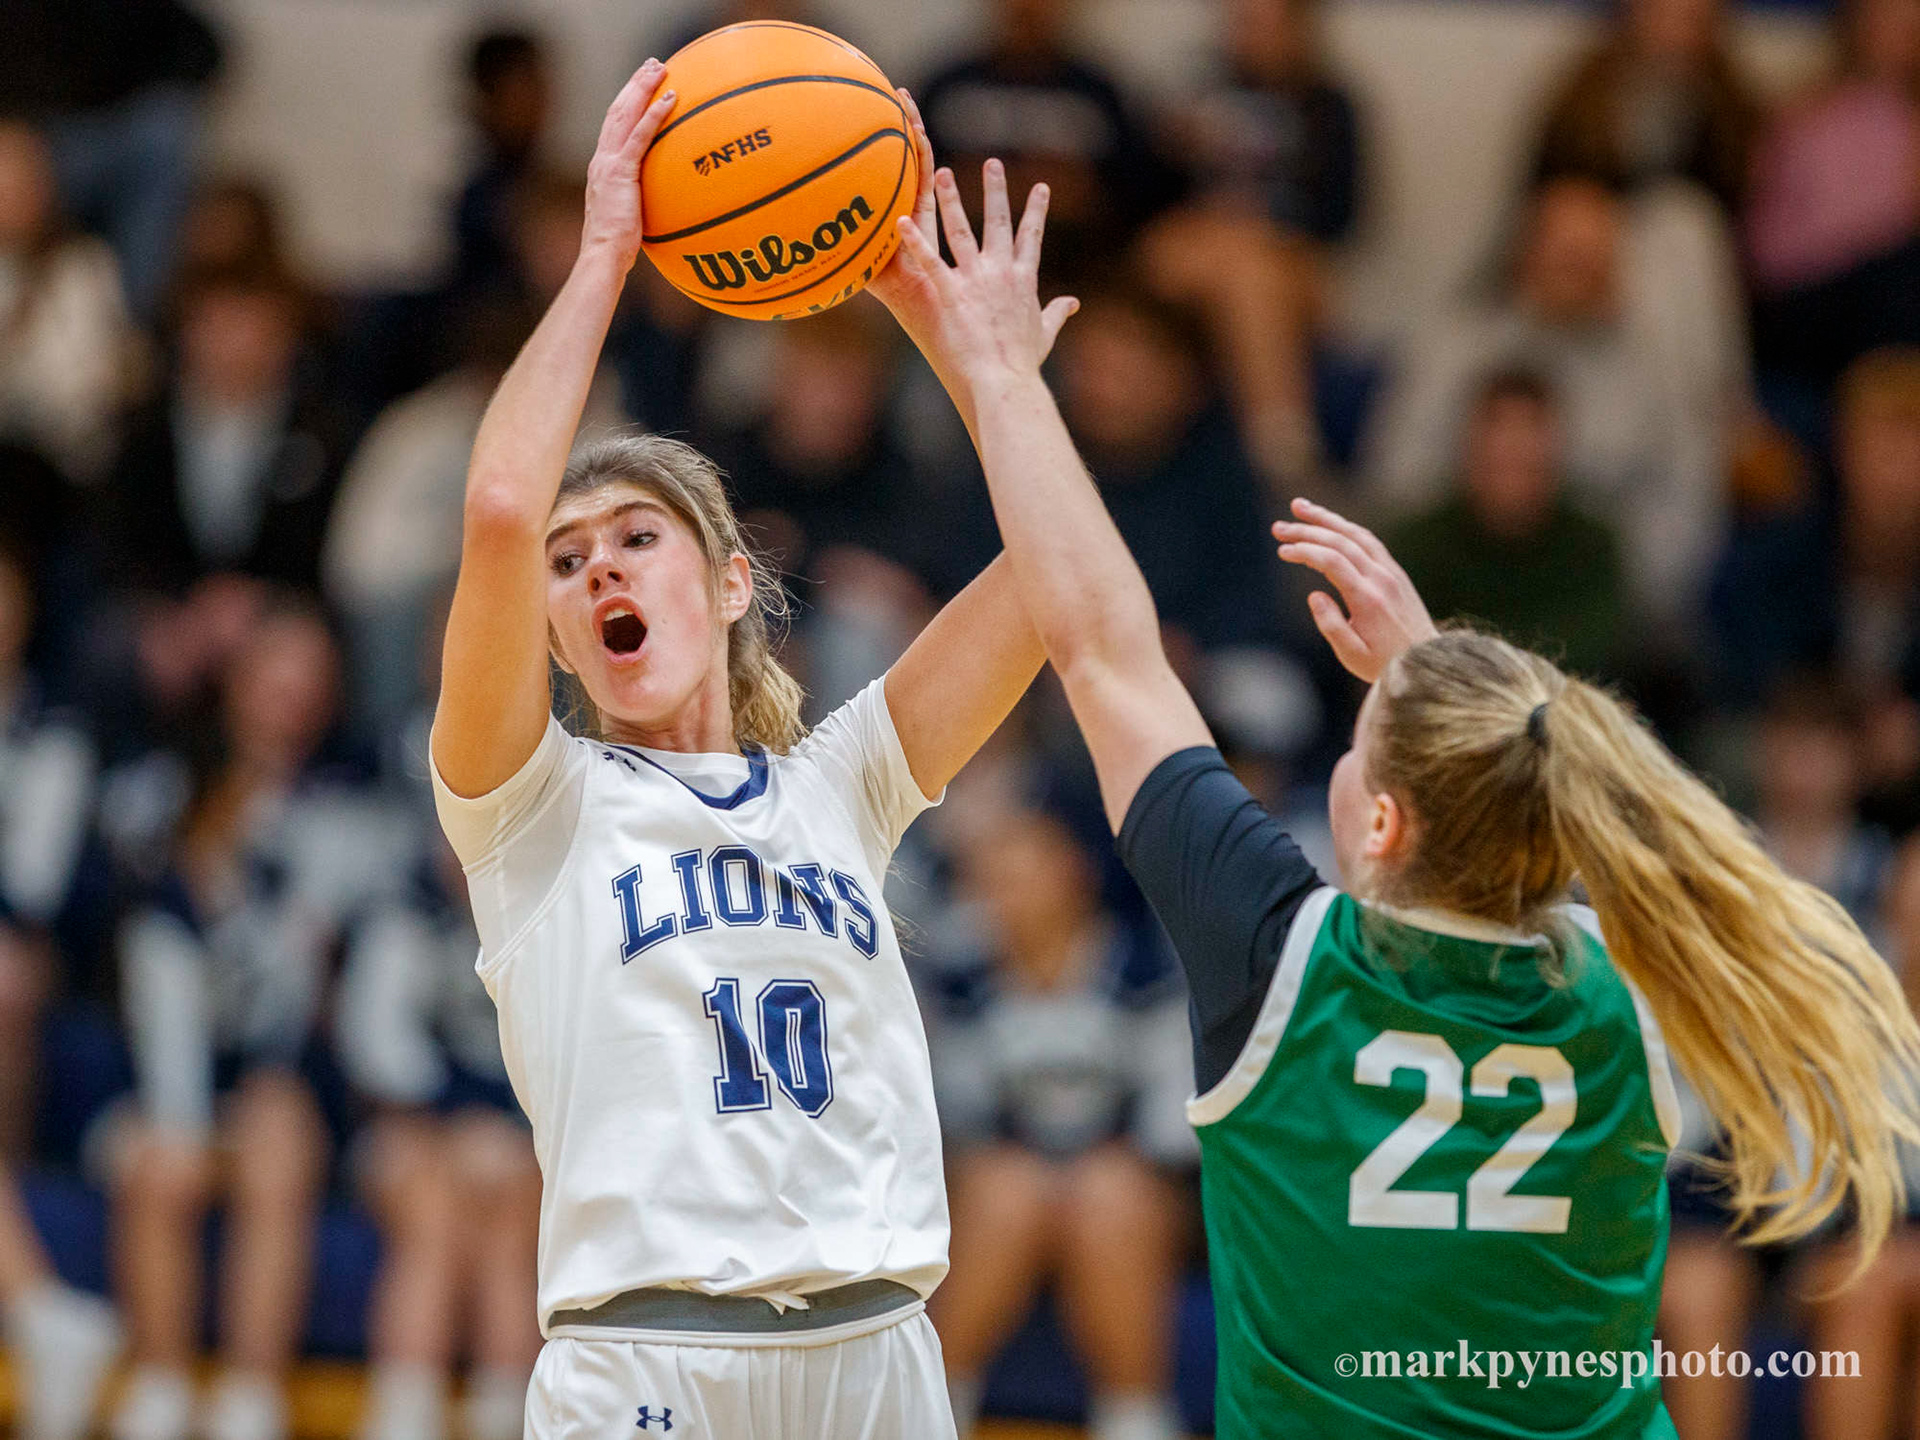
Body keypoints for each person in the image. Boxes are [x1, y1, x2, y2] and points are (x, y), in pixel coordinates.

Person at [885, 157, 1920, 1436]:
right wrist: (1433, 673)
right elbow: (1511, 769)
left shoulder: (1285, 959)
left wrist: (996, 374)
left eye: (1366, 733)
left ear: (1381, 822)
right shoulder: (1627, 979)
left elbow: (1100, 638)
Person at [428, 65, 1070, 1438]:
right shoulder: (533, 812)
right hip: (648, 1358)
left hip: (880, 1352)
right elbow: (495, 507)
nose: (596, 561)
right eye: (570, 560)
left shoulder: (845, 783)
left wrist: (962, 348)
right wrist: (606, 253)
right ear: (552, 629)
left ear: (727, 585)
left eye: (636, 537)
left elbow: (1051, 569)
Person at [930, 803, 1193, 1440]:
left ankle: (1135, 1413)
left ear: (1071, 873)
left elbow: (1177, 1125)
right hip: (1007, 1185)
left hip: (1131, 1186)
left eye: (1017, 876)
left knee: (1107, 1192)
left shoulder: (1145, 968)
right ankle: (937, 1403)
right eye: (986, 880)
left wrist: (1087, 1175)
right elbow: (956, 1126)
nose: (1001, 896)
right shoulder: (961, 982)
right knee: (1006, 1189)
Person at [335, 831, 541, 1440]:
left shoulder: (547, 910)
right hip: (407, 1130)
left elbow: (564, 1048)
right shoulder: (401, 911)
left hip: (514, 1135)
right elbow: (373, 1046)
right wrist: (455, 1122)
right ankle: (405, 1415)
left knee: (513, 1215)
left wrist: (509, 1124)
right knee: (433, 1207)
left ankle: (505, 1419)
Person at [1386, 368, 1628, 681]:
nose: (1515, 447)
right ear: (1469, 444)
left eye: (1530, 430)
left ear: (1557, 447)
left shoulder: (1592, 548)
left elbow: (1590, 655)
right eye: (1499, 429)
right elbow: (1401, 660)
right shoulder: (1418, 545)